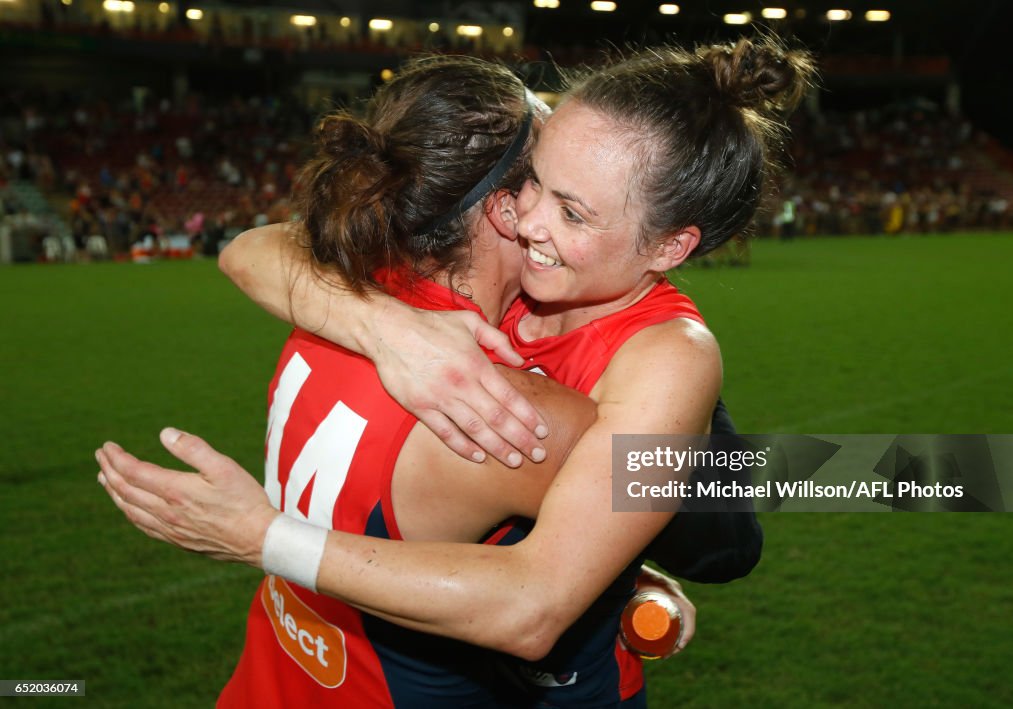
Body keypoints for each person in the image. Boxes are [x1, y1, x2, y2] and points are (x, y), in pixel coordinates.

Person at [100, 38, 811, 705]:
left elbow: (249, 247)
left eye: (570, 209)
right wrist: (388, 330)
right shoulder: (466, 339)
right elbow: (251, 247)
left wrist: (612, 565)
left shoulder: (655, 353)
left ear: (670, 243)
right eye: (533, 183)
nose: (531, 219)